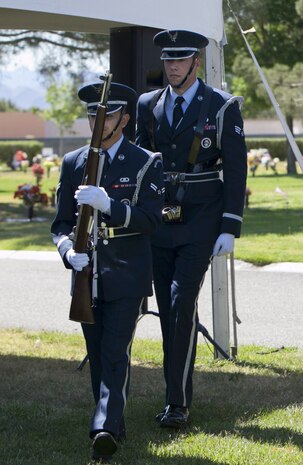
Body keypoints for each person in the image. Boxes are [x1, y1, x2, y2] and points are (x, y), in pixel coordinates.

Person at [135, 29, 248, 428]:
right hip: (160, 222)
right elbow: (139, 164)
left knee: (183, 302)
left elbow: (236, 169)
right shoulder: (147, 104)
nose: (173, 67)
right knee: (168, 307)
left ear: (196, 63)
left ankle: (178, 403)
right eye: (168, 60)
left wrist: (230, 225)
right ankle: (174, 395)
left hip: (202, 220)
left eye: (181, 60)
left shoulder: (221, 105)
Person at [51, 81, 163, 461]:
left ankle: (103, 426)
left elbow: (150, 220)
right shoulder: (74, 162)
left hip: (127, 271)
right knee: (97, 353)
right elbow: (60, 224)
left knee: (116, 351)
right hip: (86, 274)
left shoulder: (146, 161)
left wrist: (109, 204)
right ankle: (114, 420)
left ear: (125, 119)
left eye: (107, 114)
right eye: (92, 115)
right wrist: (68, 251)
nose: (98, 121)